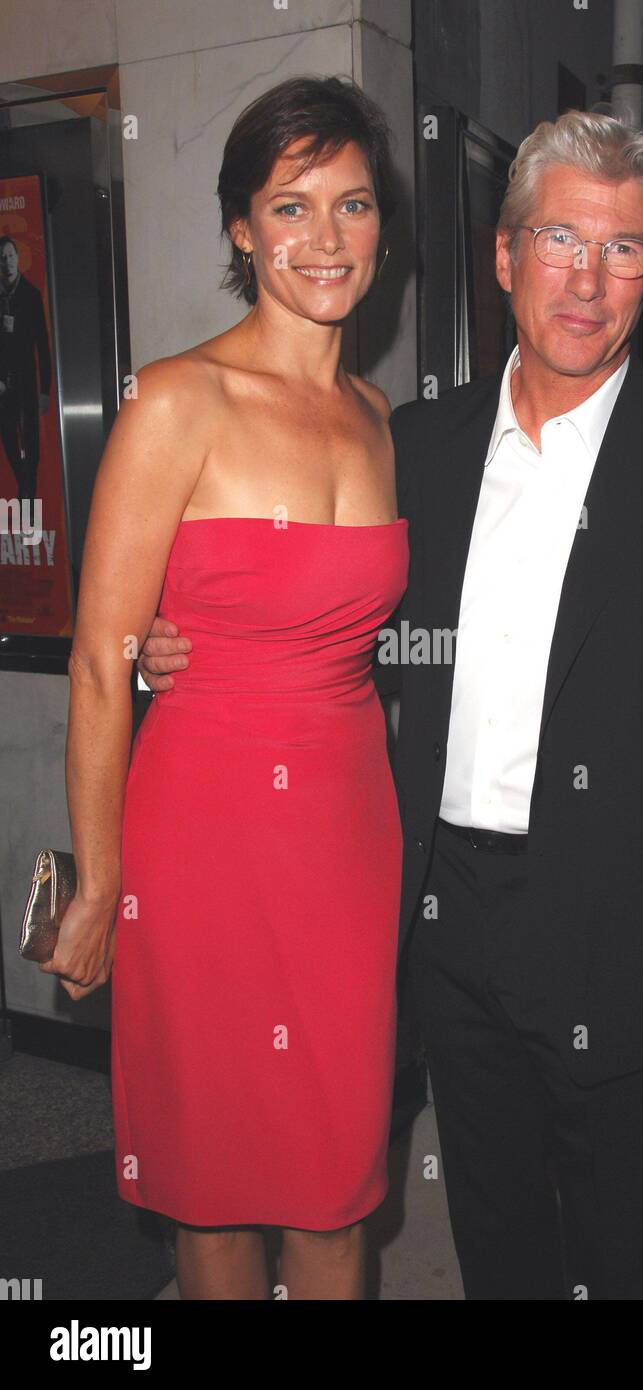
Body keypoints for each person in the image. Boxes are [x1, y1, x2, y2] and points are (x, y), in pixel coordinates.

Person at [141, 109, 643, 1300]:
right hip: (439, 930)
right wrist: (168, 644)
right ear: (503, 257)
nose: (585, 280)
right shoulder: (418, 448)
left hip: (626, 942)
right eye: (557, 238)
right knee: (494, 1241)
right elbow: (326, 621)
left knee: (628, 1253)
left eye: (623, 250)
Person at [51, 76, 407, 1300]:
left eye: (352, 206)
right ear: (240, 228)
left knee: (333, 1181)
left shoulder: (374, 416)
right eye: (290, 206)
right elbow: (102, 658)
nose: (324, 240)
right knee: (212, 1181)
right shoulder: (174, 399)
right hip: (201, 831)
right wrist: (100, 884)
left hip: (347, 834)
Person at [0, 235, 52, 508]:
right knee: (8, 439)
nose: (7, 262)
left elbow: (42, 345)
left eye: (10, 256)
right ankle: (25, 486)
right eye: (2, 258)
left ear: (18, 259)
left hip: (27, 383)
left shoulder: (30, 295)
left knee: (31, 444)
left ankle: (27, 500)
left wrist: (45, 389)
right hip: (2, 386)